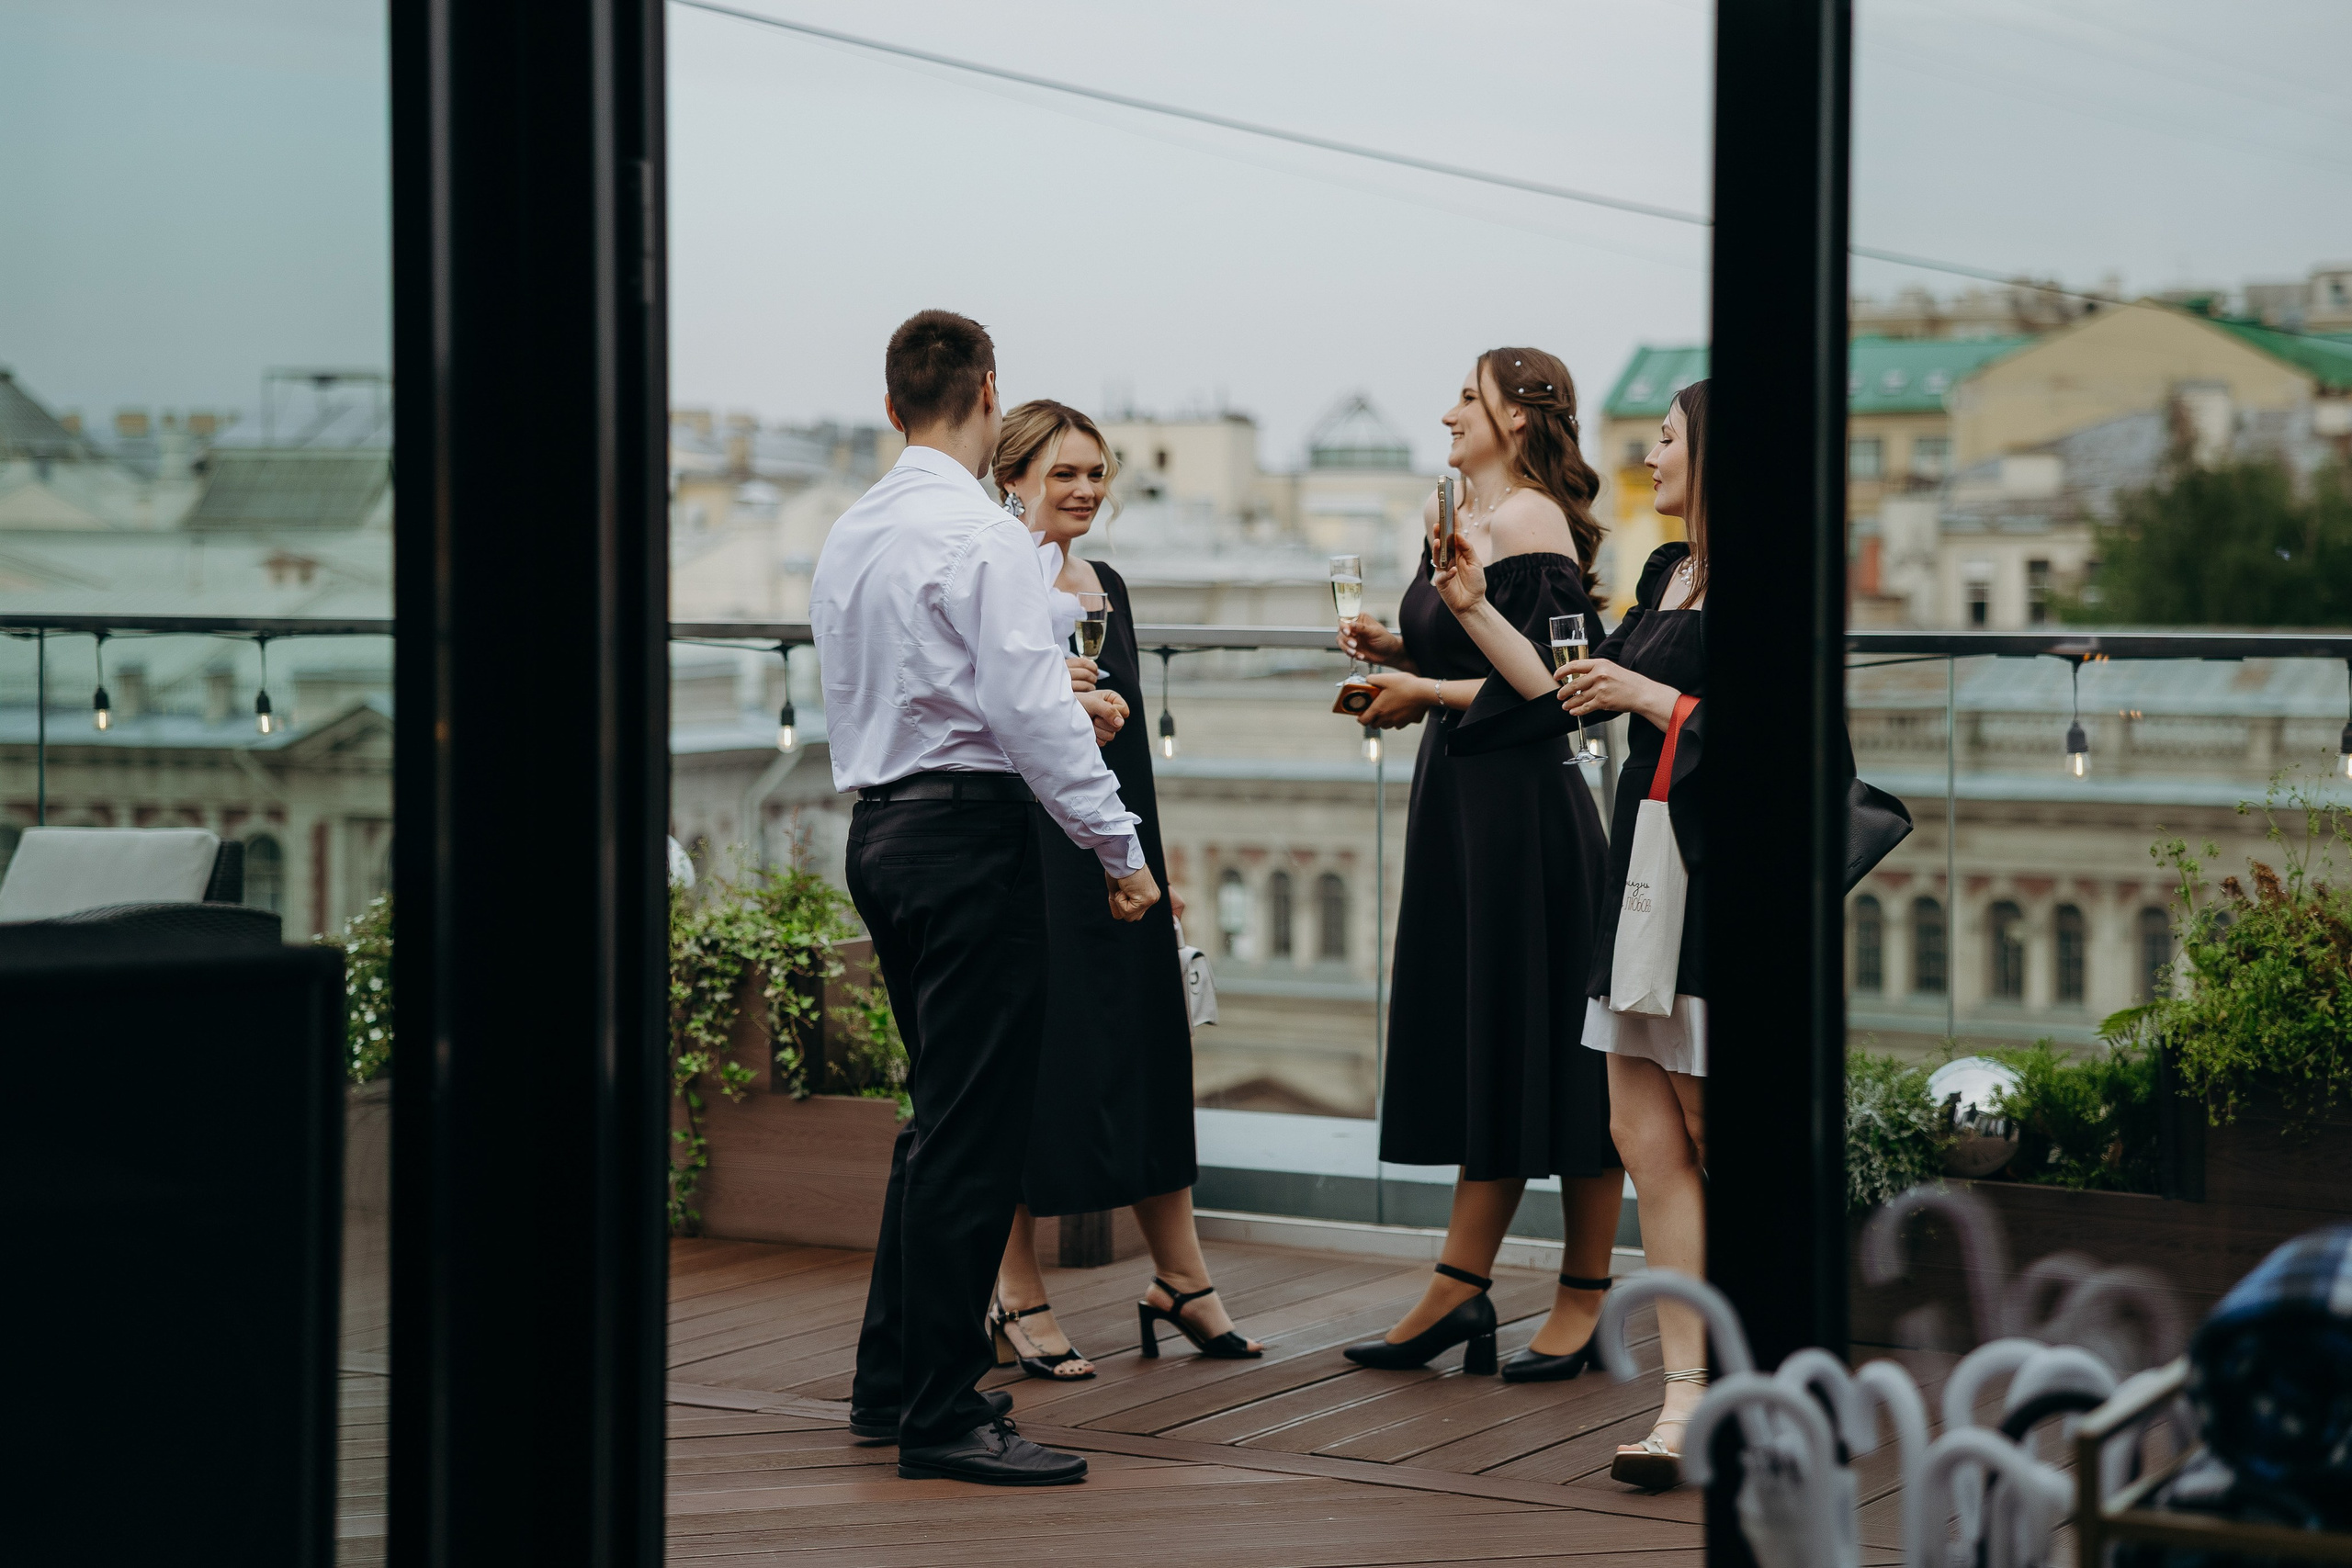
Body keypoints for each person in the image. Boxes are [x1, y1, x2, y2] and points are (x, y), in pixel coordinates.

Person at [808, 310, 1161, 1487]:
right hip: (969, 841)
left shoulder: (851, 533)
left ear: (893, 403)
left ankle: (888, 1383)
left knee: (937, 1121)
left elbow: (923, 679)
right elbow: (1020, 714)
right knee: (974, 1132)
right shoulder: (984, 535)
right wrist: (1118, 851)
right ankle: (945, 1413)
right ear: (986, 390)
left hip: (882, 835)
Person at [1333, 348, 1623, 1379]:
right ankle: (1460, 1287)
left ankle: (1582, 1291)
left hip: (1524, 810)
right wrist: (1396, 653)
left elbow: (1556, 685)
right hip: (1458, 801)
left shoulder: (1532, 521)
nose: (1449, 410)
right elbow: (1471, 659)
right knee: (1488, 1042)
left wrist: (1429, 694)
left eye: (1468, 395)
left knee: (1556, 1048)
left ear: (1516, 414)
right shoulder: (1445, 512)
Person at [1458, 378, 1713, 1490]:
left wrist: (1653, 701)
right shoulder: (1666, 573)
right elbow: (1570, 691)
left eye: (1663, 440)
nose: (1647, 458)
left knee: (1708, 1139)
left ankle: (1761, 1378)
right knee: (1642, 1138)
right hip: (1642, 878)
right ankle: (1685, 1400)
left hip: (1713, 884)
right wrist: (1470, 607)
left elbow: (1800, 737)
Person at [980, 400, 1264, 1382]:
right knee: (1031, 1063)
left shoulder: (1106, 585)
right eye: (1064, 475)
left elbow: (1130, 749)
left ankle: (1179, 1278)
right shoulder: (993, 575)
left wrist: (1150, 863)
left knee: (1148, 1049)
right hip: (1027, 848)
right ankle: (1014, 1289)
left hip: (1114, 850)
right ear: (1010, 476)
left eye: (1097, 475)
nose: (1086, 492)